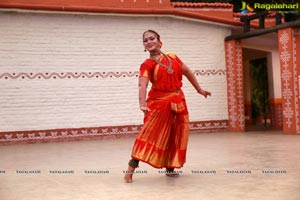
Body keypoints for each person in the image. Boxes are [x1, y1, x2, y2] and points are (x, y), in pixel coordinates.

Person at [124, 30, 211, 183]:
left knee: (175, 134)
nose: (149, 41)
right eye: (146, 40)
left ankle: (170, 168)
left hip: (178, 101)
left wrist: (199, 89)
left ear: (159, 41)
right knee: (148, 134)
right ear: (144, 46)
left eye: (152, 38)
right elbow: (142, 84)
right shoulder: (147, 64)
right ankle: (131, 168)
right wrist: (142, 103)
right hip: (158, 103)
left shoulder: (173, 57)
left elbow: (187, 72)